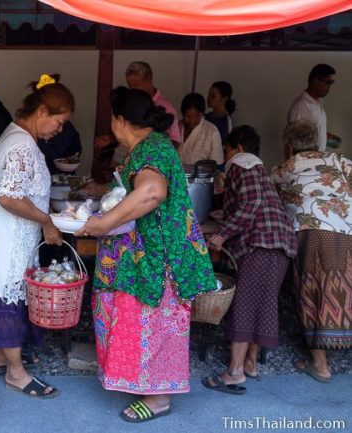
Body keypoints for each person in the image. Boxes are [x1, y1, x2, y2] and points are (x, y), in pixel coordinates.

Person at [75, 87, 216, 423]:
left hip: (156, 260)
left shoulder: (150, 150)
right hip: (144, 258)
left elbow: (152, 190)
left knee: (153, 322)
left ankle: (158, 397)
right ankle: (144, 383)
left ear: (121, 121)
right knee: (138, 320)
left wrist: (102, 223)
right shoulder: (150, 147)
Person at [0, 73, 72, 399]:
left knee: (10, 294)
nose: (59, 130)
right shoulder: (21, 146)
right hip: (10, 239)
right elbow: (9, 197)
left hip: (11, 237)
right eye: (58, 122)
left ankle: (3, 355)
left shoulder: (16, 138)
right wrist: (46, 220)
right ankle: (16, 373)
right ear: (41, 112)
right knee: (10, 298)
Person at [204, 126, 296, 395]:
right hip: (279, 242)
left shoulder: (242, 163)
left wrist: (222, 234)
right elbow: (255, 202)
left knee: (244, 303)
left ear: (238, 148)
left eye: (228, 150)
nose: (227, 156)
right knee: (264, 303)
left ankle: (234, 373)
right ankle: (251, 364)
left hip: (260, 243)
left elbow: (251, 204)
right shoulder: (260, 170)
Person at [271, 120, 352, 383]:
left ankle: (320, 365)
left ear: (289, 145)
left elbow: (270, 195)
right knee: (344, 288)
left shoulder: (288, 166)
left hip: (311, 231)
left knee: (313, 291)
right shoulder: (340, 161)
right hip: (347, 229)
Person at [124, 61, 181, 146]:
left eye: (136, 85)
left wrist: (152, 149)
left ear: (149, 79)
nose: (133, 90)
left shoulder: (166, 108)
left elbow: (175, 141)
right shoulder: (131, 103)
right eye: (130, 86)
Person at [287, 64, 340, 152]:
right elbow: (297, 141)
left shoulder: (318, 102)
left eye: (331, 83)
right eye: (327, 83)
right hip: (306, 162)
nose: (329, 86)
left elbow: (312, 132)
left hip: (316, 158)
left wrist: (328, 138)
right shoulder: (301, 107)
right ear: (315, 82)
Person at [178, 92, 223, 166]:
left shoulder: (211, 132)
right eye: (187, 116)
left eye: (196, 116)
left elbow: (217, 164)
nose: (191, 121)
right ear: (182, 114)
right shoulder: (177, 127)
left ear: (202, 114)